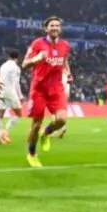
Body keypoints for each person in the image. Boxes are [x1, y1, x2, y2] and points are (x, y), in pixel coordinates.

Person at [23, 17, 70, 167]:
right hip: (39, 89)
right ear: (46, 29)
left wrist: (68, 72)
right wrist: (37, 59)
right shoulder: (37, 44)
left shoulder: (65, 45)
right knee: (36, 124)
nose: (55, 28)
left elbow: (64, 61)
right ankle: (32, 154)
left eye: (57, 25)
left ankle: (46, 133)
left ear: (60, 29)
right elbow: (24, 64)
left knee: (62, 119)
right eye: (52, 26)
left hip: (56, 88)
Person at [0, 50, 23, 144]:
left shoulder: (3, 65)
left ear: (9, 57)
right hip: (9, 92)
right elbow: (16, 83)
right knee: (19, 114)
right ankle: (5, 132)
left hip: (0, 91)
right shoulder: (16, 68)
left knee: (0, 115)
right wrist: (20, 95)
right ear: (17, 58)